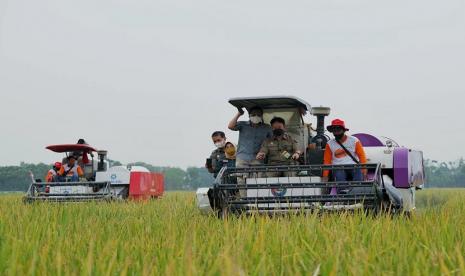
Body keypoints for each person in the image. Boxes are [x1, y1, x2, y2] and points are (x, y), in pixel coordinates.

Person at [323, 119, 367, 194]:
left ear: (343, 130)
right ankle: (342, 197)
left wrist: (364, 172)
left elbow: (362, 156)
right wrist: (325, 176)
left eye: (338, 129)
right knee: (339, 175)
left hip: (353, 166)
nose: (336, 131)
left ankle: (358, 194)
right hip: (338, 167)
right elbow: (327, 161)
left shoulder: (354, 140)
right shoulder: (329, 144)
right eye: (334, 129)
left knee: (358, 172)